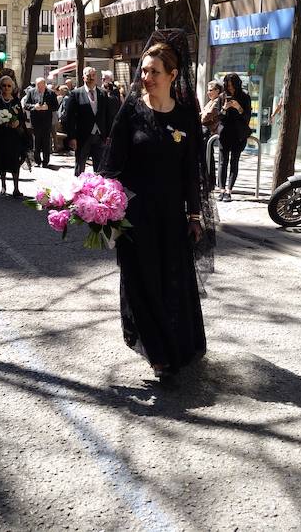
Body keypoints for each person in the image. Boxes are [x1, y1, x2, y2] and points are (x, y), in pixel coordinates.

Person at [101, 30, 214, 379]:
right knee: (140, 284)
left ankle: (173, 345)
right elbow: (110, 166)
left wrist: (195, 215)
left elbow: (192, 172)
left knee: (170, 284)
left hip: (171, 219)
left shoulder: (184, 119)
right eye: (144, 71)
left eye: (153, 72)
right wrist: (101, 203)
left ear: (172, 75)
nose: (145, 78)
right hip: (134, 218)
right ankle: (159, 356)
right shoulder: (131, 113)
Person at [64, 65, 112, 176]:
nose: (91, 77)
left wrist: (108, 135)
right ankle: (78, 189)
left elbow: (107, 115)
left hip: (100, 135)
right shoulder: (76, 94)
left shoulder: (103, 93)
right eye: (88, 75)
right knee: (80, 166)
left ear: (96, 77)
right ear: (83, 77)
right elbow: (70, 117)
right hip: (83, 136)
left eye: (93, 75)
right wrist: (72, 137)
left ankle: (98, 189)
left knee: (100, 168)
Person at [0, 75, 28, 197]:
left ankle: (16, 188)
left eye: (9, 86)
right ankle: (3, 186)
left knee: (15, 161)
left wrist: (17, 122)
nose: (6, 88)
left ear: (12, 87)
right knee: (2, 160)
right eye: (4, 85)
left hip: (14, 136)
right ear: (0, 86)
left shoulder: (16, 101)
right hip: (0, 136)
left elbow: (21, 118)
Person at [217, 73, 251, 202]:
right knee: (222, 162)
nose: (230, 88)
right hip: (224, 134)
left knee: (234, 162)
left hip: (238, 134)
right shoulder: (222, 97)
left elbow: (247, 117)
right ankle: (221, 190)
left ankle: (229, 191)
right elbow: (219, 117)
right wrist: (225, 108)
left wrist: (238, 107)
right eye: (227, 86)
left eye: (232, 86)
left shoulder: (244, 97)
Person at [23, 76, 59, 167]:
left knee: (46, 142)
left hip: (46, 121)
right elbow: (26, 105)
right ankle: (37, 160)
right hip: (35, 120)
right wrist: (34, 107)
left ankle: (46, 161)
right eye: (38, 86)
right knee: (36, 141)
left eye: (41, 86)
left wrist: (48, 107)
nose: (39, 88)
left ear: (45, 85)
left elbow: (56, 106)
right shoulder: (31, 92)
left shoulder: (51, 93)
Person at [200, 79, 223, 189]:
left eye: (210, 90)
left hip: (208, 133)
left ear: (217, 91)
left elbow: (204, 117)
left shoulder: (217, 102)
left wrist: (202, 114)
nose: (208, 92)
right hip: (205, 132)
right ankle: (208, 181)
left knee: (208, 157)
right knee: (205, 157)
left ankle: (210, 182)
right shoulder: (211, 101)